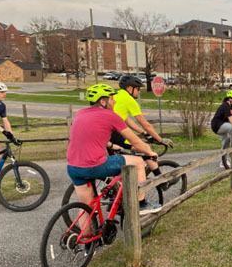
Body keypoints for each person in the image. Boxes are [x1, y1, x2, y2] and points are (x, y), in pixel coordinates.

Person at [66, 84, 162, 215]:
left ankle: (87, 236)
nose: (114, 101)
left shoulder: (80, 114)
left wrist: (111, 146)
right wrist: (150, 153)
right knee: (138, 161)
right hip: (94, 165)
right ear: (103, 101)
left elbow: (91, 136)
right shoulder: (110, 116)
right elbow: (135, 141)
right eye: (111, 98)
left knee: (86, 209)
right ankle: (141, 204)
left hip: (73, 167)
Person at [111, 74, 173, 185]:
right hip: (115, 134)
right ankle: (161, 182)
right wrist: (160, 139)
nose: (139, 92)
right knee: (145, 149)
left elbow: (126, 120)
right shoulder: (129, 100)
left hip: (107, 134)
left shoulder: (116, 96)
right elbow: (145, 124)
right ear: (130, 88)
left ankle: (114, 189)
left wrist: (143, 133)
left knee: (118, 163)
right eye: (138, 89)